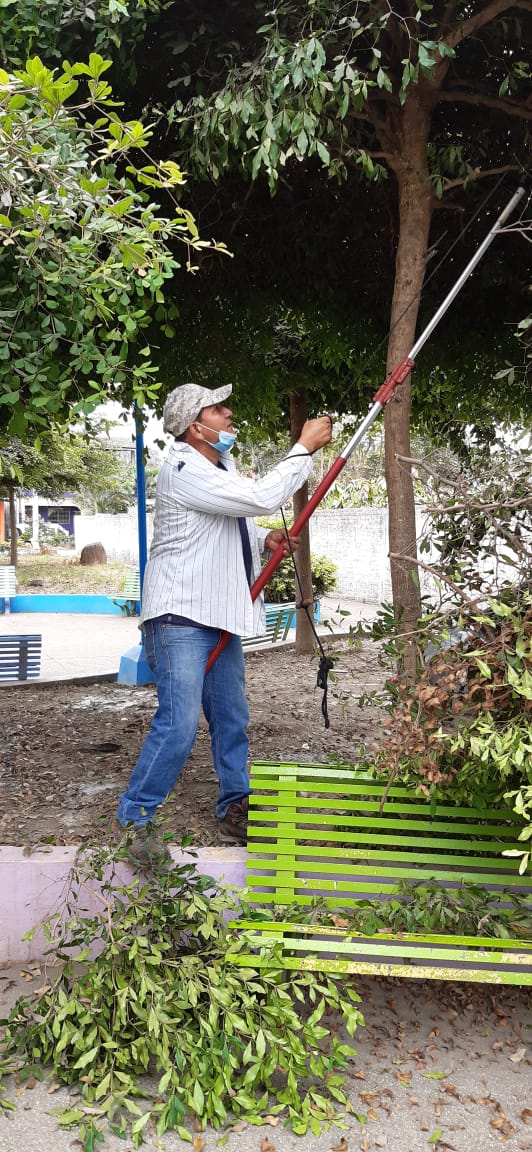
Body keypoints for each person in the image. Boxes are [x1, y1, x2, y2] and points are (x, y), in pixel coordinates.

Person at [116, 381, 333, 863]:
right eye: (216, 409)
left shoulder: (219, 466)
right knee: (178, 725)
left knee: (232, 717)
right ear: (195, 428)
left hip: (218, 612)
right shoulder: (183, 467)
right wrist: (302, 449)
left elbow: (221, 527)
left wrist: (263, 540)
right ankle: (134, 818)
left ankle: (236, 805)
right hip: (179, 616)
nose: (228, 412)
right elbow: (259, 498)